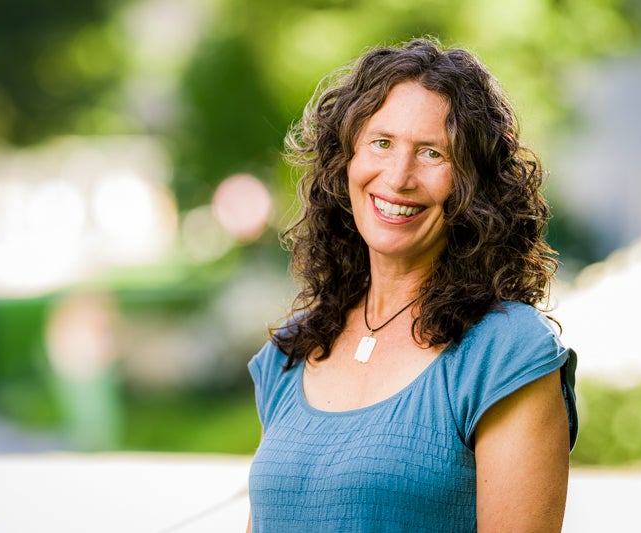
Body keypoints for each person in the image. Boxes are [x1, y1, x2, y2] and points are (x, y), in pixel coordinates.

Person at [246, 37, 577, 533]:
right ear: (346, 163)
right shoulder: (291, 351)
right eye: (382, 143)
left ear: (472, 186)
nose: (398, 177)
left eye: (431, 153)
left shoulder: (506, 353)